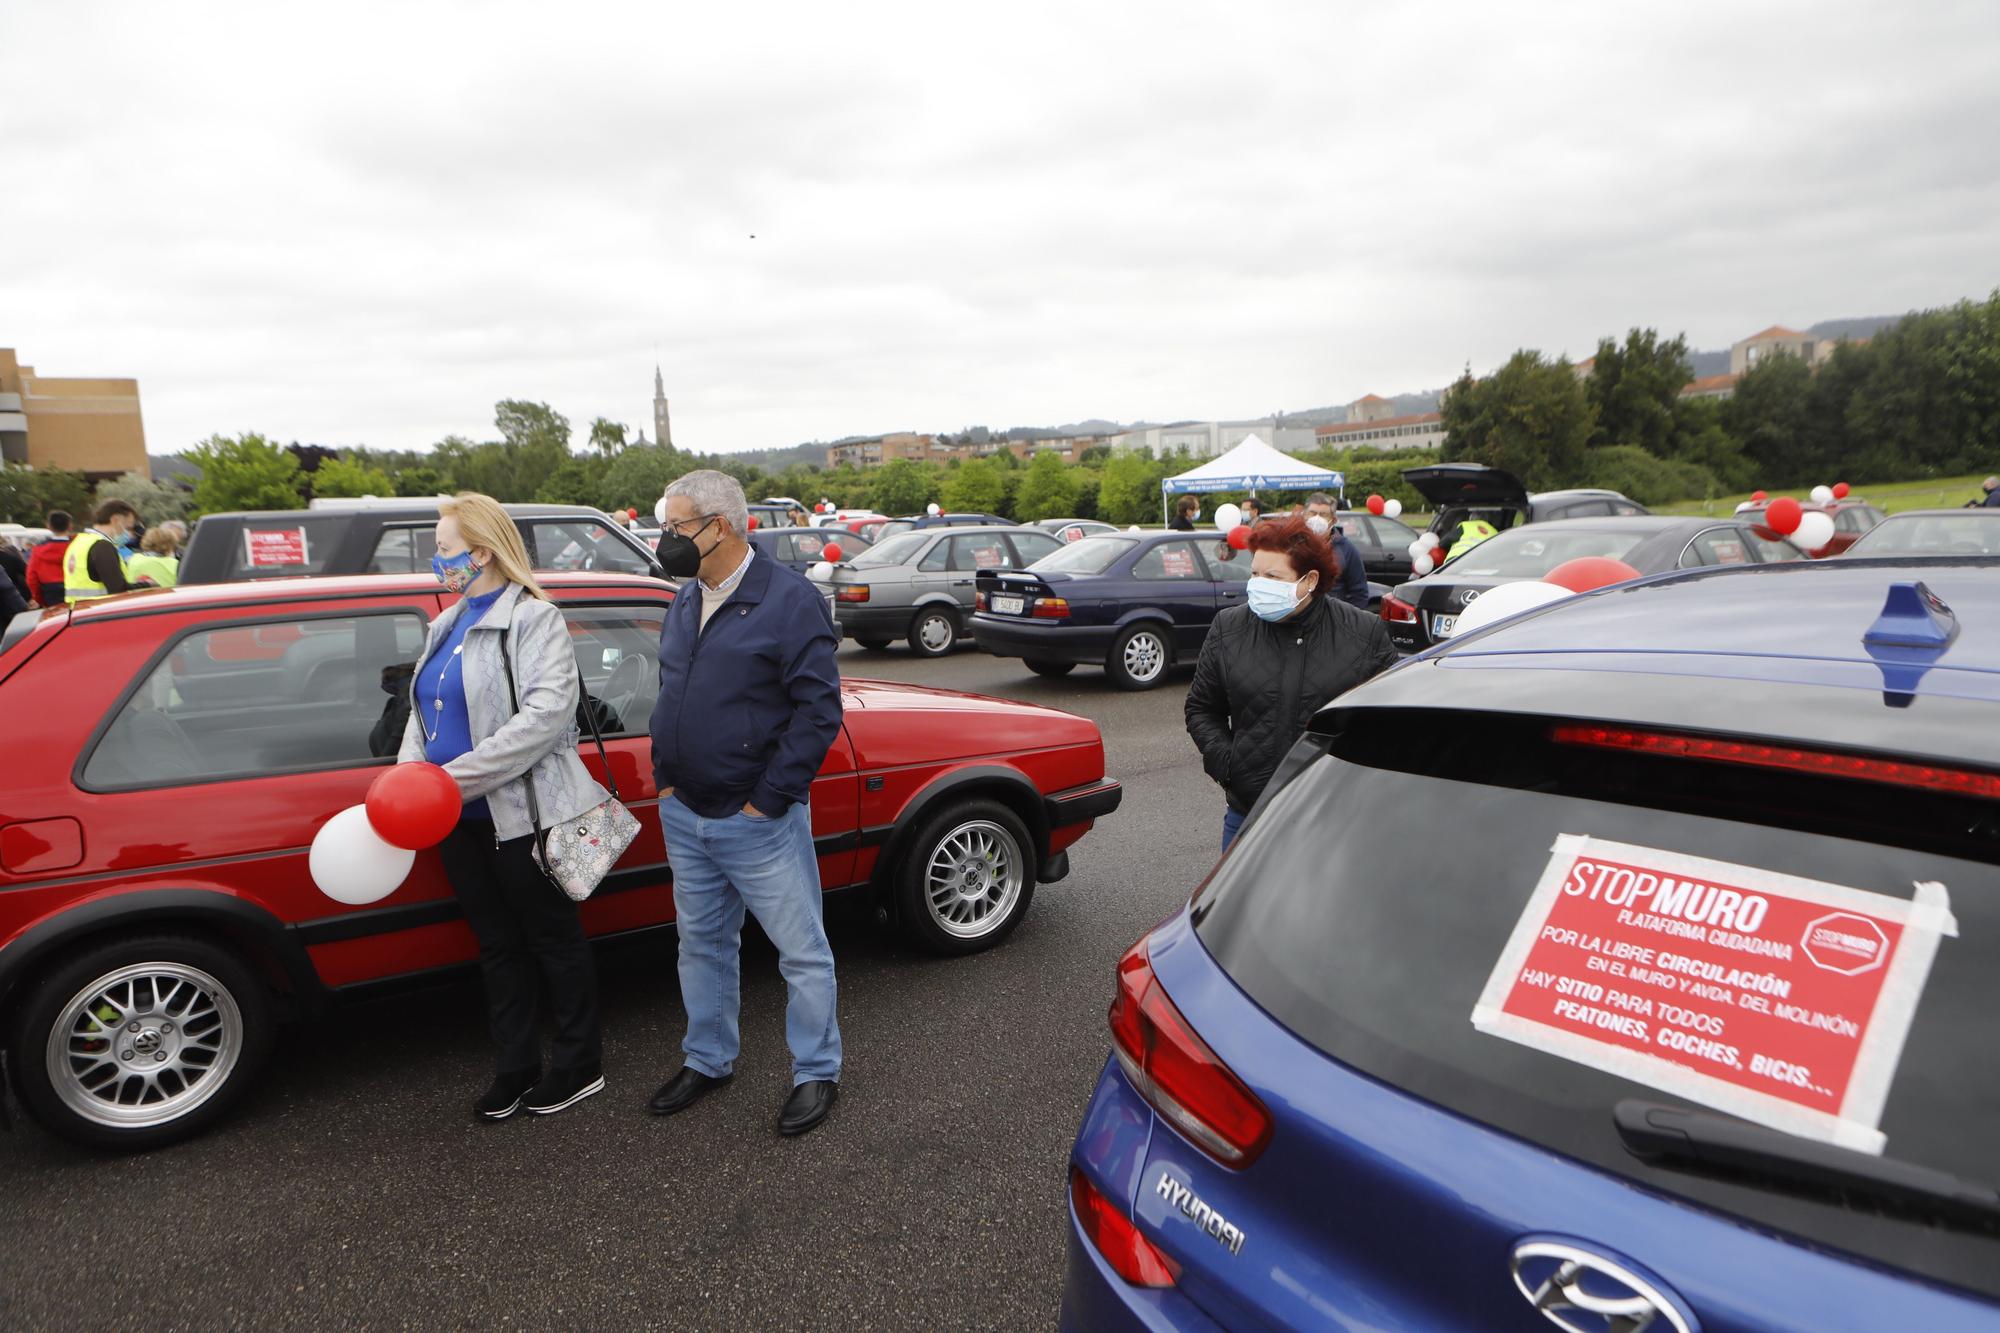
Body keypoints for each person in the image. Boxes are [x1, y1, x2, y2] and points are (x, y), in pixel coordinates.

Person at [397, 492, 610, 1122]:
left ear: (481, 551)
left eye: (442, 551)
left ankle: (578, 1064)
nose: (436, 562)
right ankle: (515, 1066)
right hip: (456, 822)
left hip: (523, 817)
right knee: (496, 946)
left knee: (553, 939)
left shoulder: (534, 619)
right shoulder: (446, 622)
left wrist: (448, 781)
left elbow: (545, 719)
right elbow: (421, 715)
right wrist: (412, 779)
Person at [647, 469, 846, 1138]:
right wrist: (664, 775)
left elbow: (818, 712)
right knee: (701, 943)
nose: (665, 539)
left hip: (756, 820)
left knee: (801, 952)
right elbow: (670, 689)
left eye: (675, 527)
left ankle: (816, 1070)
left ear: (718, 526)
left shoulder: (789, 601)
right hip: (686, 810)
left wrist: (768, 800)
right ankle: (708, 1059)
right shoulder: (685, 596)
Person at [1186, 516, 1401, 851]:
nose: (1258, 584)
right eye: (1255, 573)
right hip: (1249, 813)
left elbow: (1389, 721)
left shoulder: (1362, 634)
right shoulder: (1229, 628)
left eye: (1273, 576)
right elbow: (1201, 708)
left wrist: (1352, 779)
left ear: (1310, 580)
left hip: (1333, 817)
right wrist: (1229, 765)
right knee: (1240, 904)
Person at [63, 500, 139, 605]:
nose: (130, 534)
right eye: (128, 528)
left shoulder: (78, 542)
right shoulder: (102, 546)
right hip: (100, 611)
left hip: (79, 612)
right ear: (115, 520)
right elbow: (118, 589)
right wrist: (149, 585)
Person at [1303, 492, 1371, 610]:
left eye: (1323, 514)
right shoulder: (1292, 544)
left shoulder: (1346, 549)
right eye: (1312, 513)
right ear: (1304, 515)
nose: (1316, 518)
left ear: (1333, 520)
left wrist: (1347, 621)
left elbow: (1359, 592)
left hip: (1332, 620)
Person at [26, 510, 71, 607]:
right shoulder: (77, 546)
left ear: (48, 526)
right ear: (70, 526)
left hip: (51, 594)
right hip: (77, 590)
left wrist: (39, 599)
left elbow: (31, 578)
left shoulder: (38, 550)